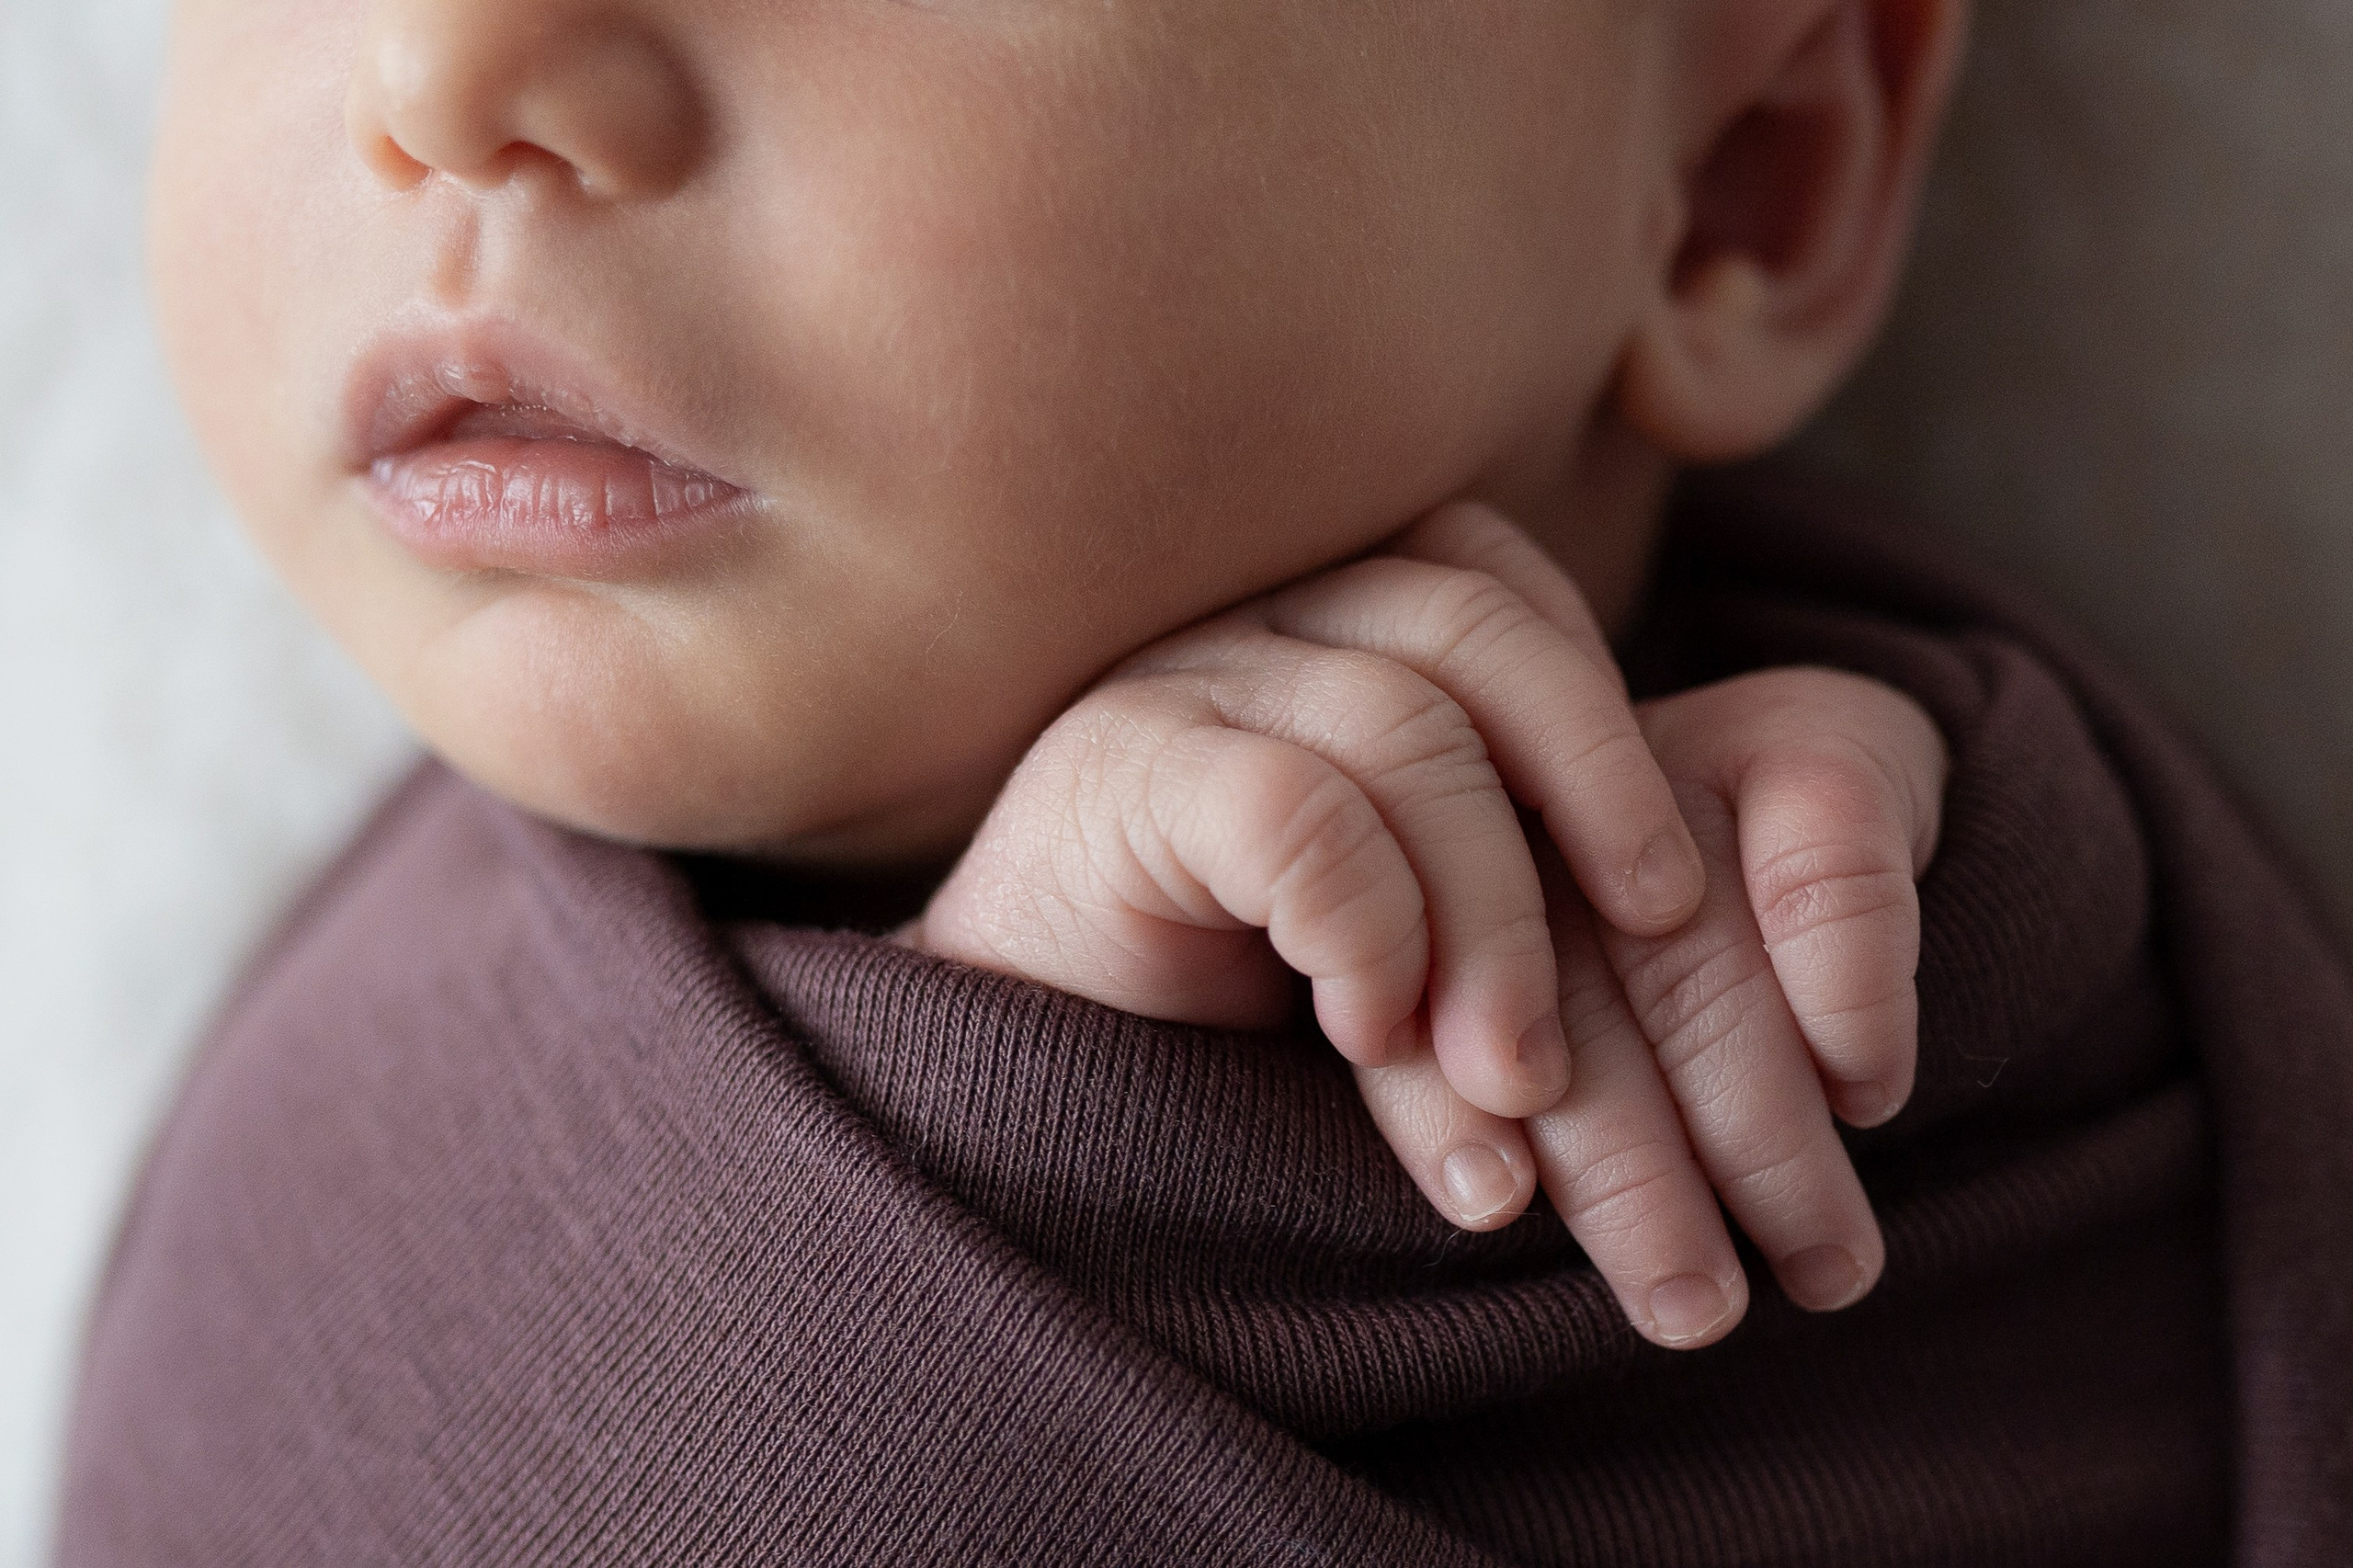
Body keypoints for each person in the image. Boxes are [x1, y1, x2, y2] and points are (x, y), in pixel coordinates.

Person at [55, 0, 2353, 1563]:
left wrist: (1710, 930)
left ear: (1745, 175)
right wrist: (1033, 1098)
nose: (446, 67)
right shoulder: (380, 1134)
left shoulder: (1996, 1010)